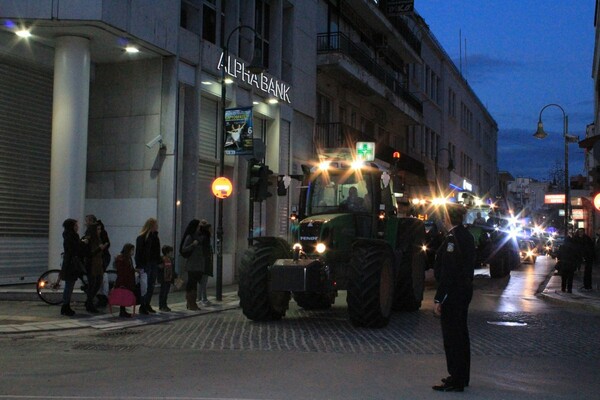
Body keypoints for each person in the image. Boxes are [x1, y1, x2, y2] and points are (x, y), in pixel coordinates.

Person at [432, 205, 476, 392]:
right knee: (461, 335)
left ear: (448, 218)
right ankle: (462, 376)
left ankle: (456, 379)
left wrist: (439, 299)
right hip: (464, 291)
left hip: (454, 293)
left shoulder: (453, 239)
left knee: (453, 337)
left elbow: (448, 272)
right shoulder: (466, 235)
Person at [180, 219, 212, 310]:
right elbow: (184, 249)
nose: (199, 228)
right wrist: (193, 245)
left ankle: (192, 303)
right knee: (191, 284)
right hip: (192, 264)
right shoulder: (190, 237)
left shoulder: (198, 236)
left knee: (195, 284)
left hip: (199, 264)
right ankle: (191, 303)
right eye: (198, 226)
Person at [60, 219, 88, 316]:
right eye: (76, 225)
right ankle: (65, 306)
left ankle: (66, 305)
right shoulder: (72, 236)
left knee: (69, 285)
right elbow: (76, 248)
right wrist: (83, 242)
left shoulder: (67, 235)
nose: (77, 227)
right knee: (69, 285)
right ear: (72, 226)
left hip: (69, 263)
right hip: (72, 264)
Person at [135, 218, 161, 314]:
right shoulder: (142, 237)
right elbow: (139, 252)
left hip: (153, 263)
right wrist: (138, 265)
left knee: (151, 284)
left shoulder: (155, 237)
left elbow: (157, 251)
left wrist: (159, 262)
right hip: (146, 263)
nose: (157, 226)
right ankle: (143, 304)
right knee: (144, 285)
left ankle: (147, 303)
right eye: (155, 225)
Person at [82, 223, 108, 313]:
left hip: (98, 263)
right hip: (91, 264)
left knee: (98, 282)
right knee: (92, 284)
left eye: (100, 229)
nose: (99, 231)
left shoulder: (98, 239)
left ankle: (89, 301)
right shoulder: (89, 240)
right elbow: (88, 254)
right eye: (98, 229)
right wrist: (99, 249)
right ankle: (89, 303)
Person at [114, 243, 136, 318]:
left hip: (128, 280)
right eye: (132, 250)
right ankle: (122, 311)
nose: (133, 252)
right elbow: (122, 270)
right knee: (123, 295)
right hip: (123, 280)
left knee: (125, 296)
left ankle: (123, 311)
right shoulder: (121, 258)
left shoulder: (129, 258)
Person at [96, 219, 111, 307]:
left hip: (102, 258)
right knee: (102, 277)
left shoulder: (101, 234)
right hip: (101, 257)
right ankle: (103, 296)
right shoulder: (102, 233)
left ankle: (103, 296)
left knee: (102, 277)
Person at [158, 245, 175, 311]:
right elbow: (159, 268)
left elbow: (172, 269)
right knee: (163, 292)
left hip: (169, 278)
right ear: (167, 252)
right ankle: (161, 306)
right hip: (163, 278)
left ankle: (165, 305)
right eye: (171, 252)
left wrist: (175, 276)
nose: (171, 253)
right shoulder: (162, 259)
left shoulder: (171, 259)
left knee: (166, 293)